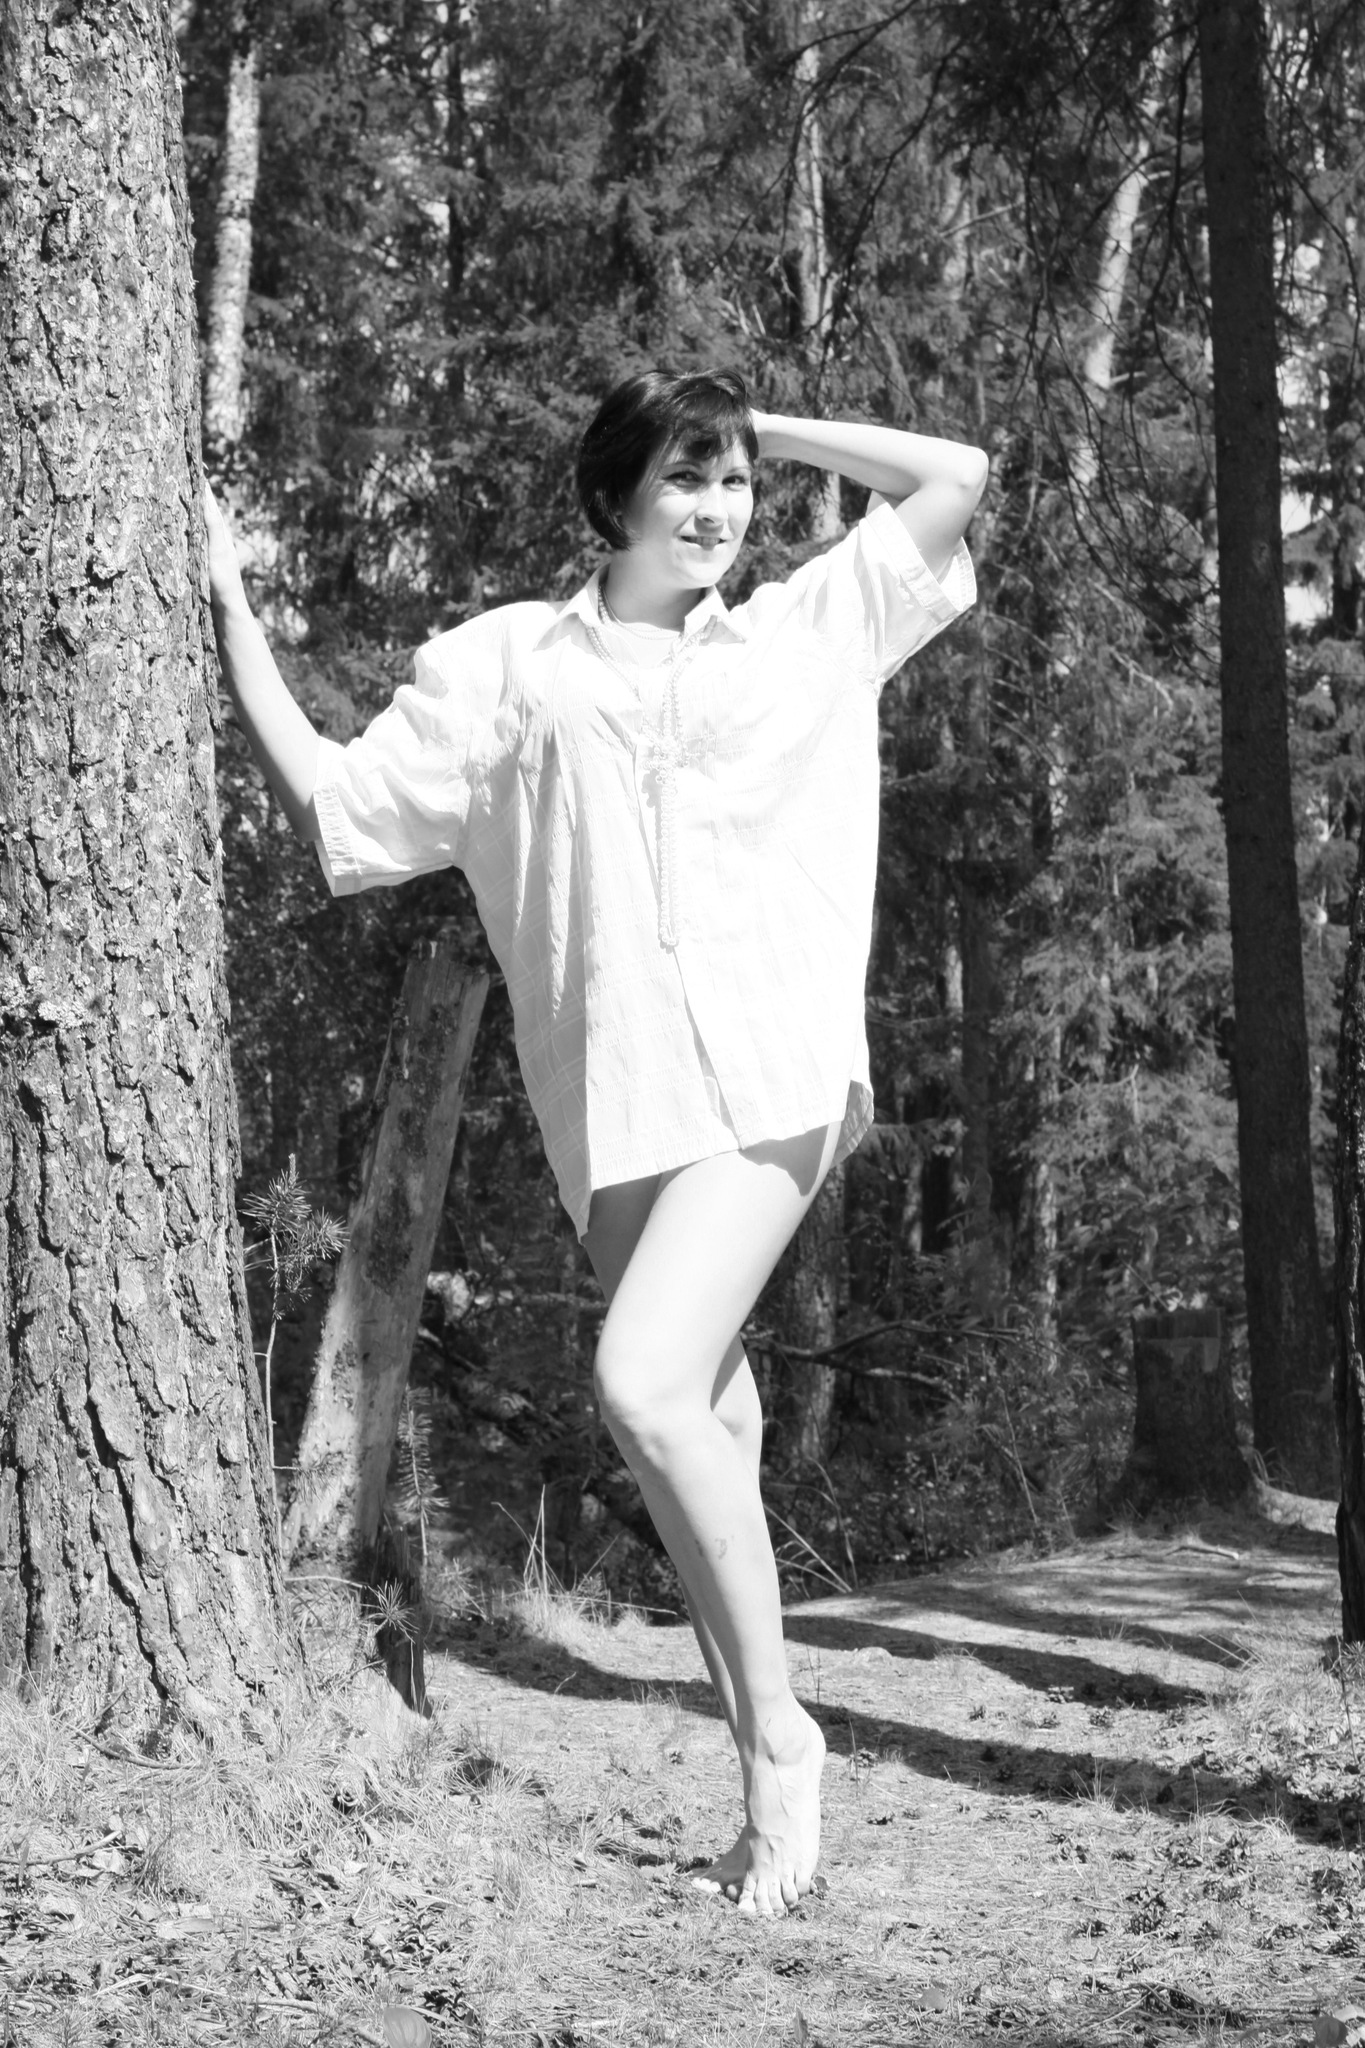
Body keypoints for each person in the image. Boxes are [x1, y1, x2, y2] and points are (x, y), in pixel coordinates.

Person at [205, 369, 986, 1918]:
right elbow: (340, 810)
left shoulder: (799, 632)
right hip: (616, 1098)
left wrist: (764, 422)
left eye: (733, 483)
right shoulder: (508, 664)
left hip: (769, 1075)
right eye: (683, 478)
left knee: (639, 1382)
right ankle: (759, 1794)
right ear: (614, 493)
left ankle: (781, 1740)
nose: (715, 510)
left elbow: (952, 474)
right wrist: (232, 611)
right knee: (710, 1429)